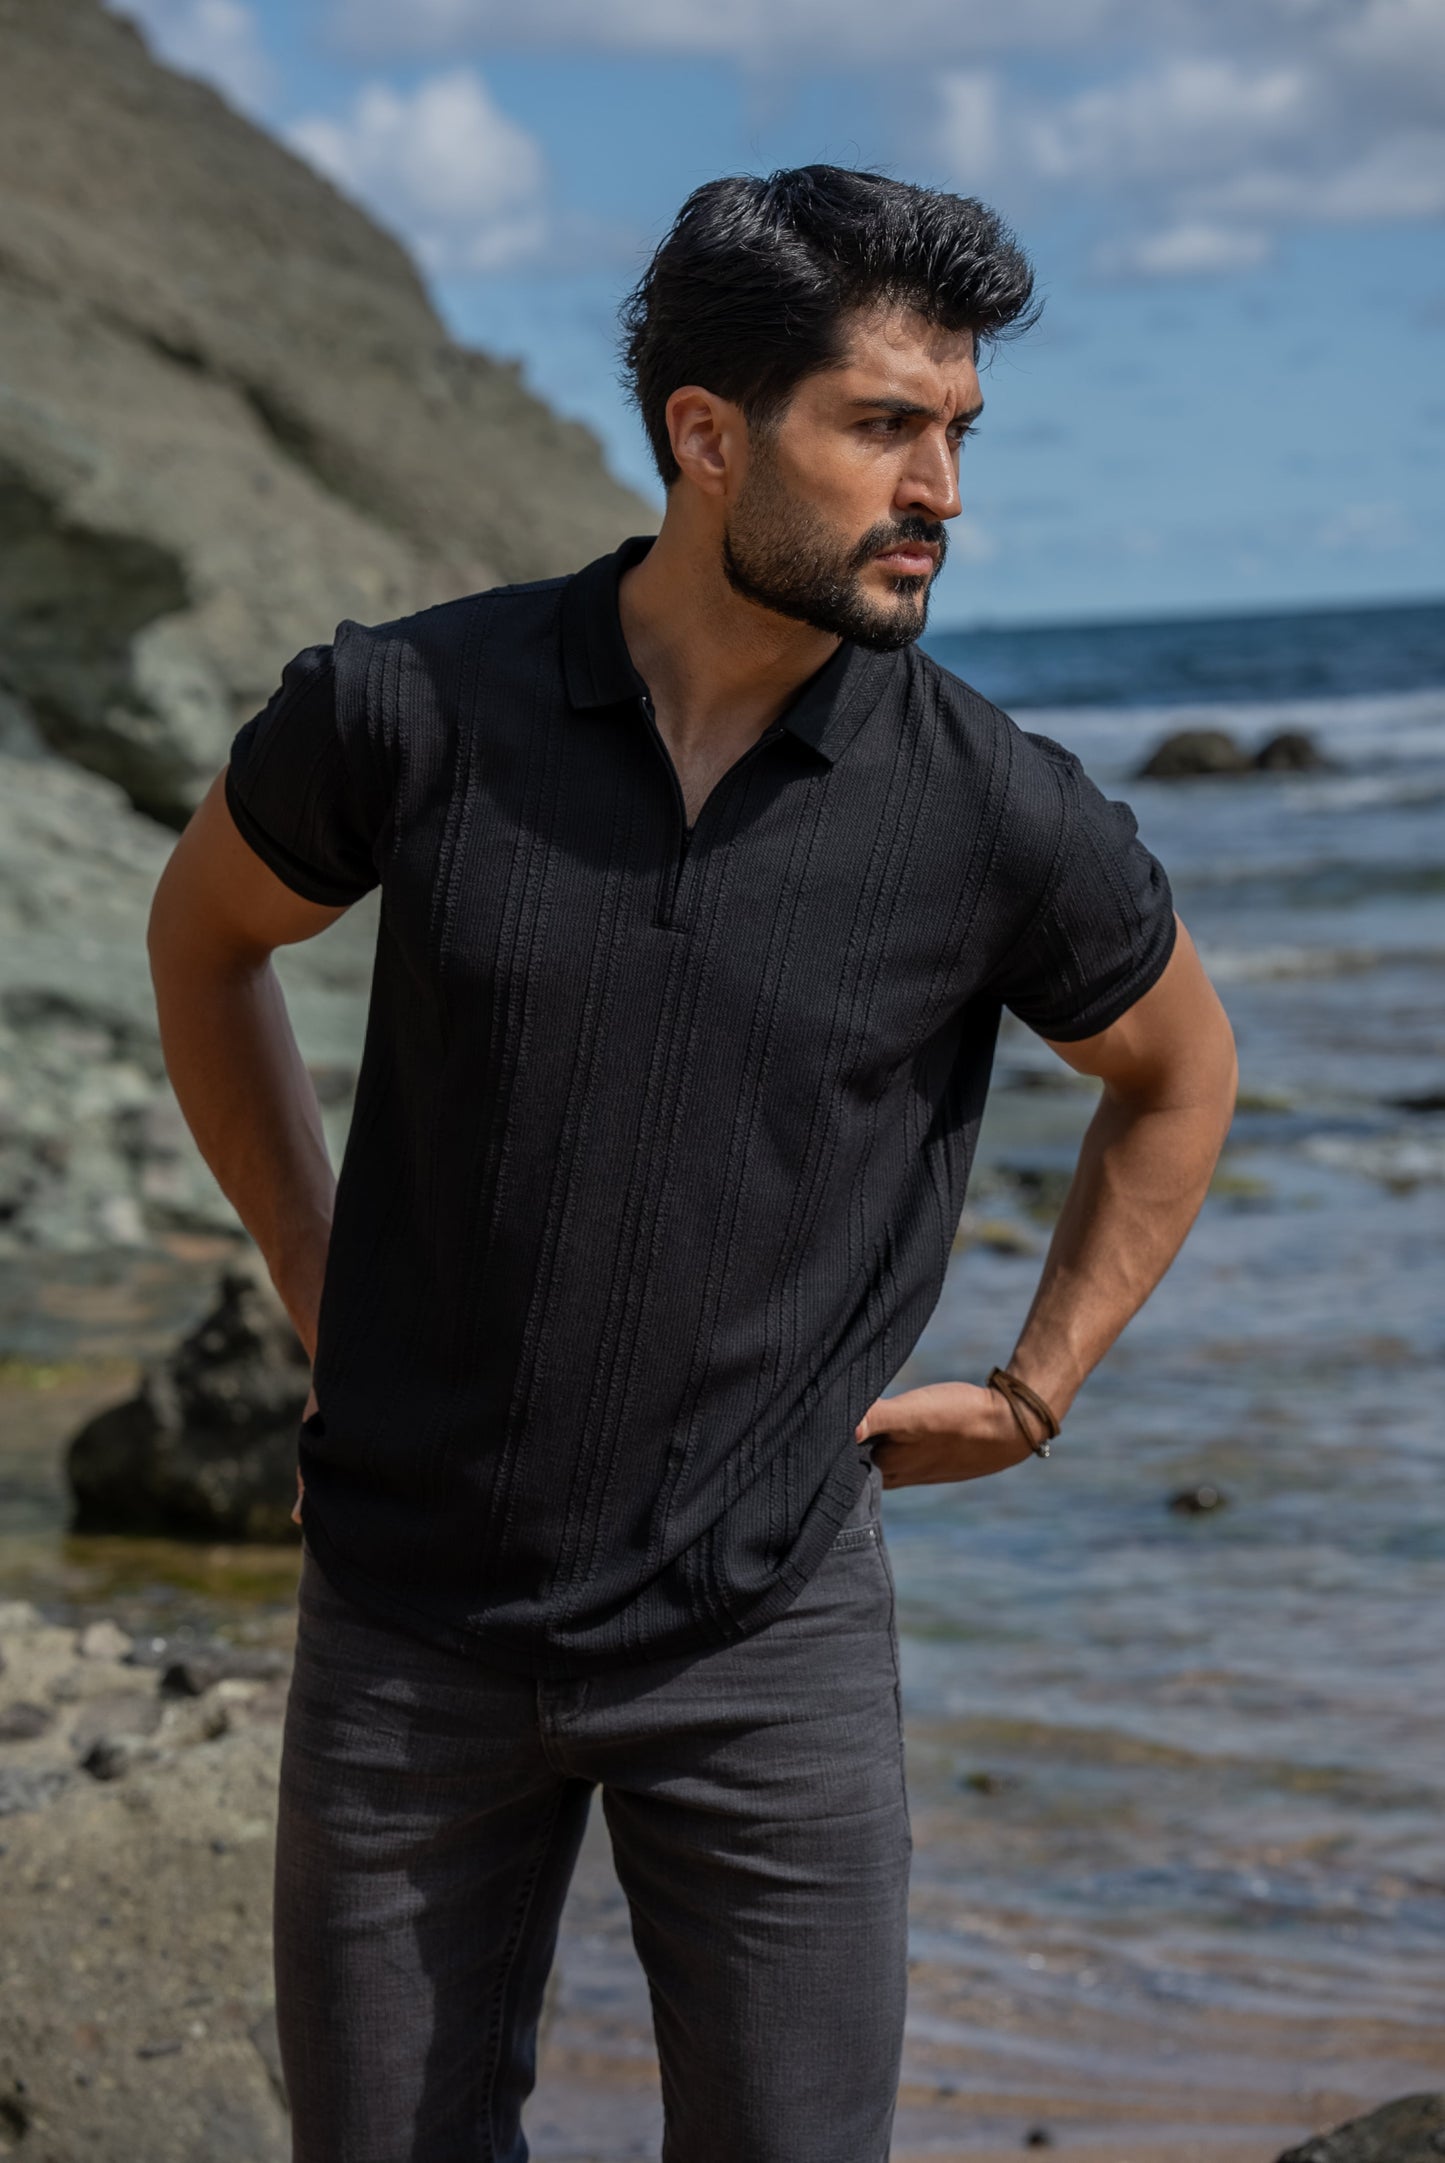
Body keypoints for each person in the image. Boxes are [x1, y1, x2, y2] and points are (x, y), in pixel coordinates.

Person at [147, 165, 1238, 2163]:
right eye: (884, 426)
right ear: (708, 436)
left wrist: (1036, 1383)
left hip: (769, 1641)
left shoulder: (992, 807)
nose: (944, 492)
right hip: (409, 1624)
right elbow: (205, 936)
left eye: (960, 433)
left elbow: (1176, 1070)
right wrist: (321, 1281)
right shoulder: (409, 709)